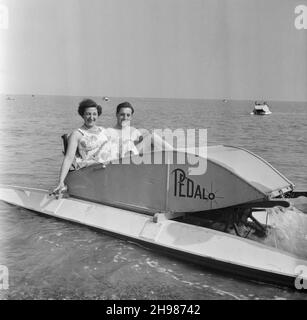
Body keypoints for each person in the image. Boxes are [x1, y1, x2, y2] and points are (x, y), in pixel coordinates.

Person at [50, 99, 111, 196]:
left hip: (109, 168)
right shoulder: (77, 134)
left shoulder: (104, 131)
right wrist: (61, 181)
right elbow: (69, 158)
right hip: (91, 171)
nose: (91, 117)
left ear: (98, 115)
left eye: (94, 114)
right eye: (88, 114)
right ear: (82, 115)